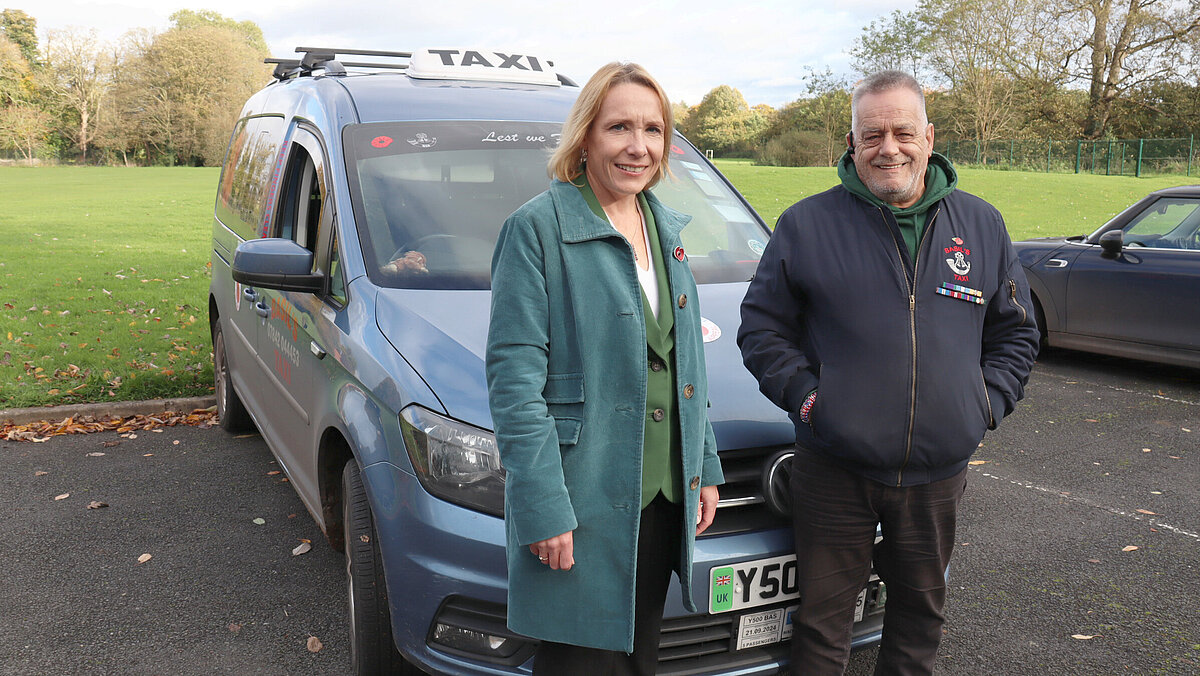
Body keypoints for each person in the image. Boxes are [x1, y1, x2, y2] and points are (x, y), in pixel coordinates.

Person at [737, 70, 1039, 675]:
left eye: (903, 132)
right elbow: (761, 329)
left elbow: (1016, 331)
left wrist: (984, 403)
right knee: (823, 626)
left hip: (937, 472)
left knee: (918, 622)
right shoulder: (807, 225)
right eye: (872, 134)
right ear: (852, 143)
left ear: (930, 137)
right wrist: (811, 402)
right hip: (834, 468)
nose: (888, 147)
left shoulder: (981, 225)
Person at [485, 62, 724, 675]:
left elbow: (685, 362)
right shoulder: (537, 229)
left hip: (664, 497)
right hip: (581, 496)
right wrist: (541, 506)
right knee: (581, 663)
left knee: (640, 658)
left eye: (653, 129)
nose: (638, 146)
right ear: (585, 137)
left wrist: (703, 465)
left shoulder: (664, 228)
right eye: (619, 127)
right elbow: (515, 383)